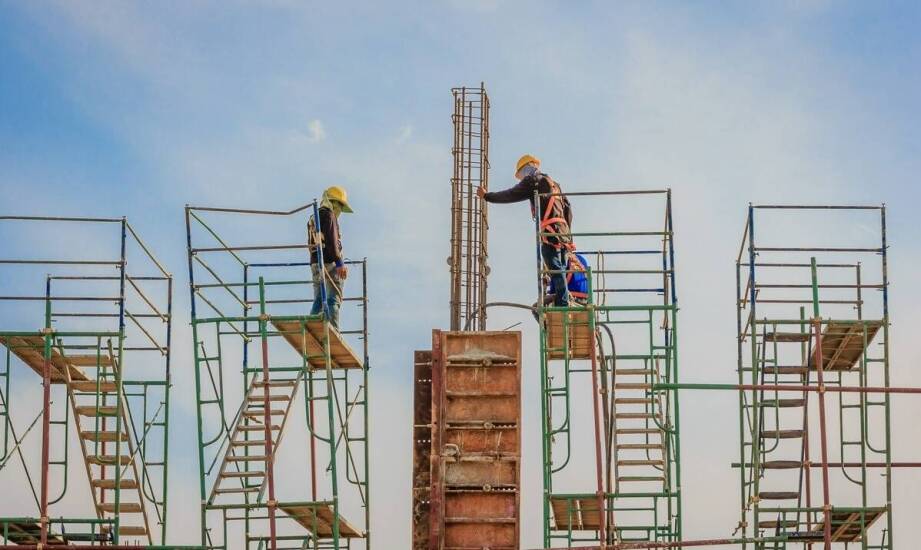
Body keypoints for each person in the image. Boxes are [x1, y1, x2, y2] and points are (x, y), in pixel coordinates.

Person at [478, 154, 574, 306]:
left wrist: (487, 196)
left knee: (554, 265)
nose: (521, 177)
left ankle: (563, 304)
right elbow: (568, 210)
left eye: (521, 173)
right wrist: (569, 238)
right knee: (560, 269)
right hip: (563, 233)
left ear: (527, 167)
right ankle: (564, 299)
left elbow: (511, 194)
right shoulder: (554, 184)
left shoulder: (533, 180)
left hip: (550, 232)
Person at [309, 185, 353, 329]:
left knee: (319, 299)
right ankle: (333, 329)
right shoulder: (329, 215)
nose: (340, 210)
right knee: (333, 298)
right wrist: (339, 262)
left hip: (315, 262)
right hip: (329, 262)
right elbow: (332, 240)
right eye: (340, 205)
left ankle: (313, 326)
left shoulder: (313, 217)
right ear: (333, 203)